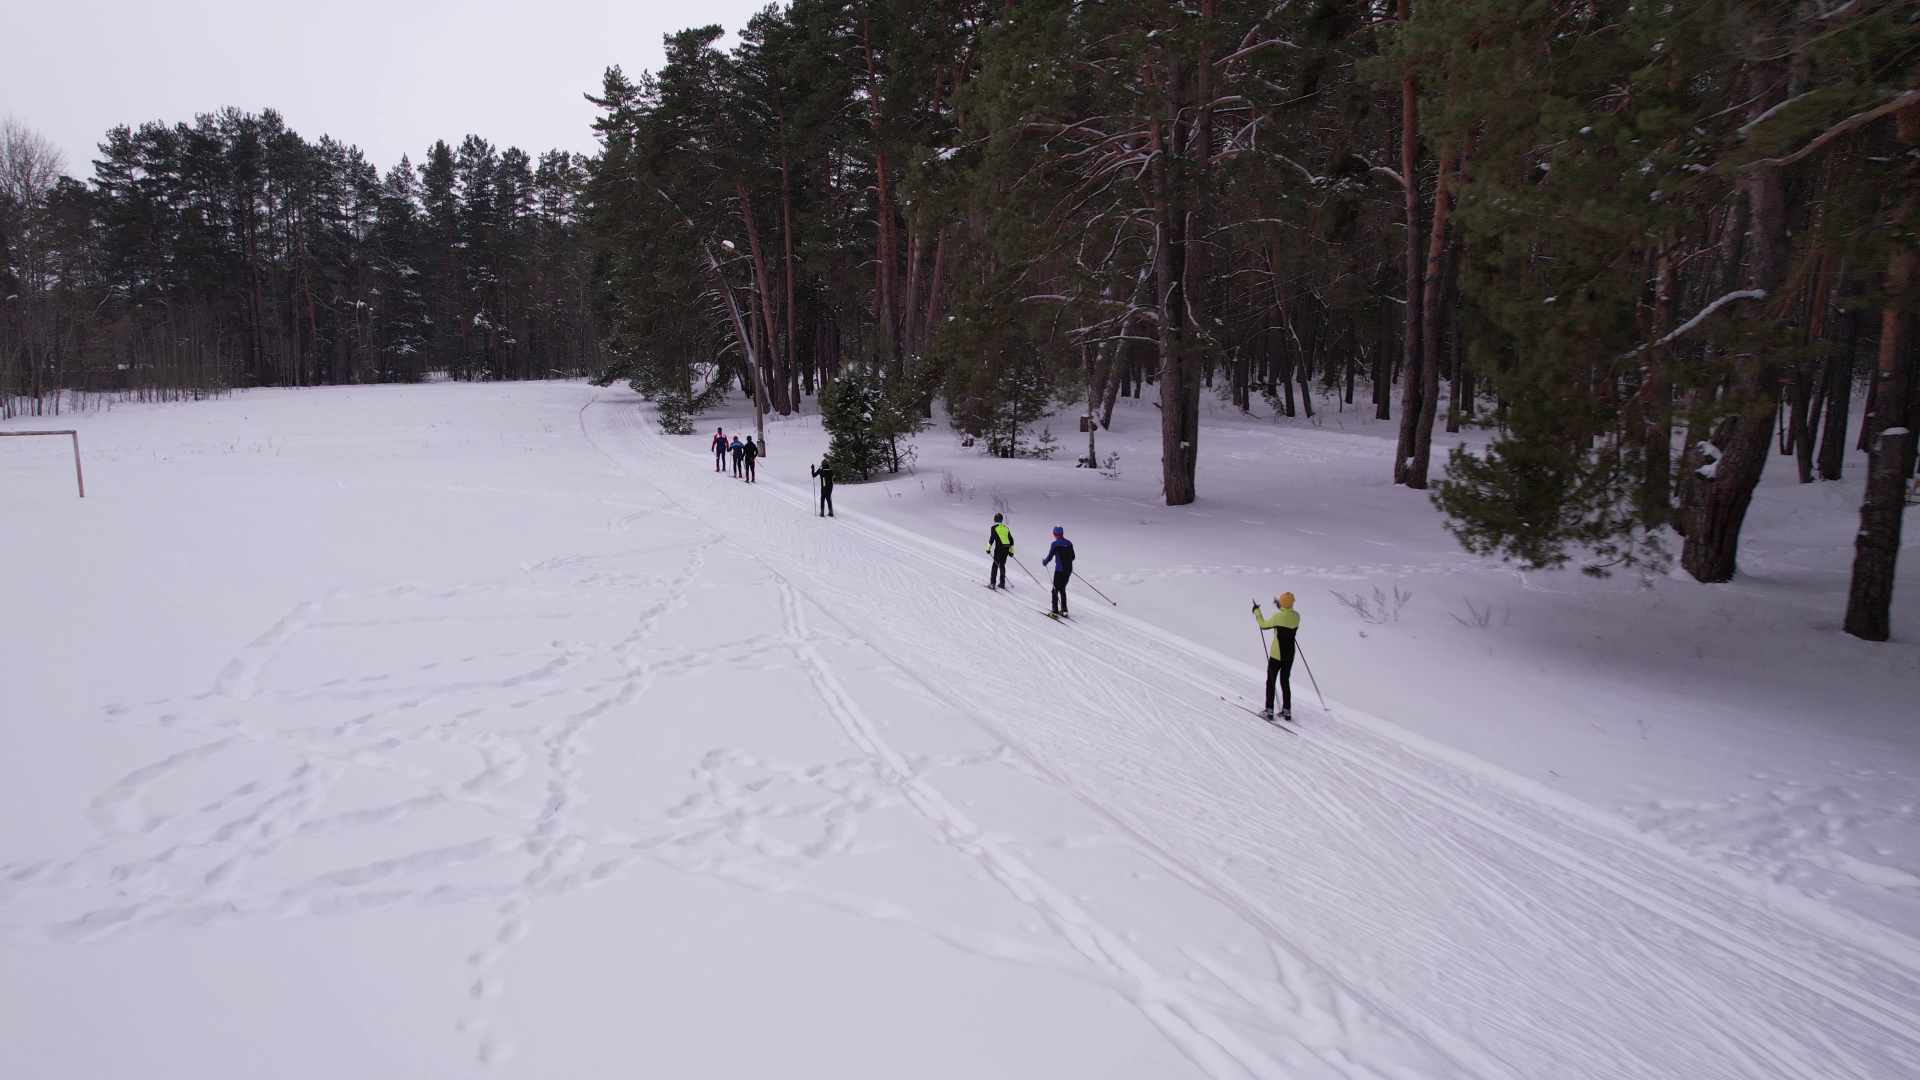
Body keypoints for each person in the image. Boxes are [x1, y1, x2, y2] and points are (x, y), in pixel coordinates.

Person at [1252, 593, 1301, 721]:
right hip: (1290, 655)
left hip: (1277, 655)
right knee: (1285, 681)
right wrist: (1281, 606)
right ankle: (1287, 711)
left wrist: (1257, 611)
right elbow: (1287, 618)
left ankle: (1269, 710)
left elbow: (1263, 625)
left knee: (1271, 681)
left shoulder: (1278, 617)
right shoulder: (1297, 616)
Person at [1041, 525, 1074, 615]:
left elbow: (1050, 556)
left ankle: (1055, 611)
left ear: (1054, 533)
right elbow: (1073, 557)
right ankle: (1064, 609)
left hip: (1059, 570)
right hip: (1068, 570)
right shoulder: (1069, 543)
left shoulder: (1055, 544)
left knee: (1055, 589)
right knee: (1062, 588)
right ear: (1062, 533)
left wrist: (1044, 562)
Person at [985, 513, 1014, 588]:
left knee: (995, 565)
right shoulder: (1006, 528)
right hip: (1006, 548)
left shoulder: (994, 527)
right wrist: (1011, 551)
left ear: (995, 520)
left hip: (999, 548)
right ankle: (1002, 583)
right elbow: (1011, 540)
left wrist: (988, 548)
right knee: (1002, 565)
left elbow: (992, 538)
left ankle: (992, 583)